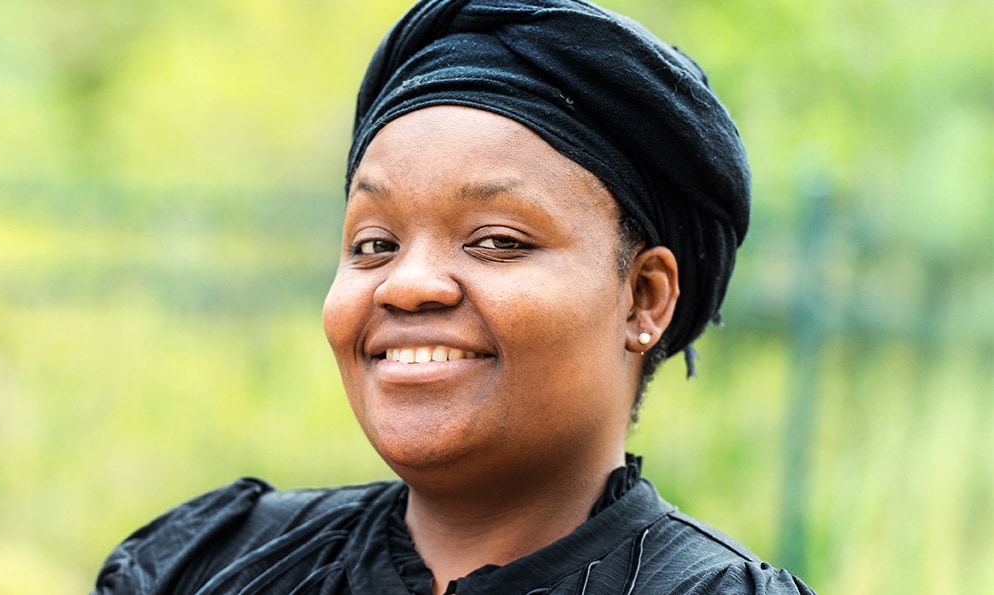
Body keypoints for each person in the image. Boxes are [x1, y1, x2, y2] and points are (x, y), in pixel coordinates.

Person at [93, 0, 816, 593]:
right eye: (374, 244)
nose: (407, 284)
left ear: (644, 297)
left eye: (497, 240)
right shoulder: (207, 568)